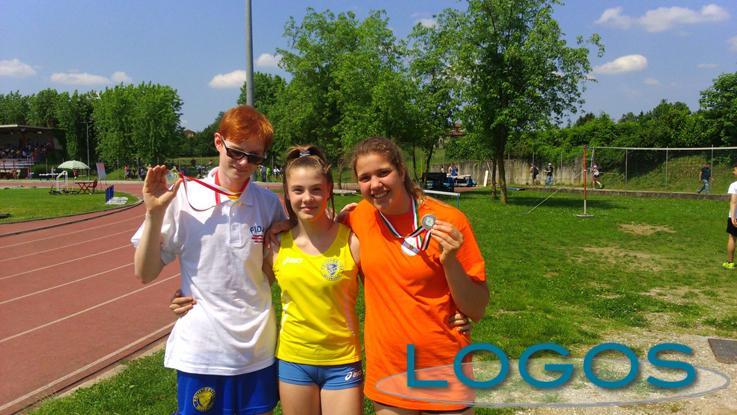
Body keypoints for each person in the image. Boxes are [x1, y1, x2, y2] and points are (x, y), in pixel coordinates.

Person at [132, 105, 284, 415]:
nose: (243, 163)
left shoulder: (268, 204)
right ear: (218, 142)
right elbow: (145, 272)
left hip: (257, 349)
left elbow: (271, 272)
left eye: (254, 157)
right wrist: (154, 212)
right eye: (236, 152)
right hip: (203, 351)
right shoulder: (184, 197)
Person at [346, 137, 488, 414]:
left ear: (401, 170)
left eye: (383, 172)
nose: (375, 184)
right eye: (365, 178)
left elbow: (477, 307)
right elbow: (314, 230)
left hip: (443, 363)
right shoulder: (358, 217)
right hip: (389, 367)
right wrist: (281, 227)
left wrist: (450, 262)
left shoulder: (449, 221)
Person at [723, 163, 737, 270]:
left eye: (735, 170)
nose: (733, 172)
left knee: (732, 237)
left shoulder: (734, 185)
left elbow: (733, 202)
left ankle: (730, 262)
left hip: (735, 216)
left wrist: (732, 217)